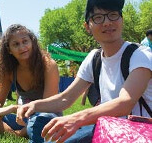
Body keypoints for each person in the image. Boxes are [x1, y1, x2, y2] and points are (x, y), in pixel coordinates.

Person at [16, 0, 152, 142]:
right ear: (87, 26)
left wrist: (76, 118)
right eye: (98, 17)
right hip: (106, 130)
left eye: (113, 15)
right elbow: (65, 98)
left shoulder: (140, 55)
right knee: (46, 128)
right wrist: (33, 105)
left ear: (121, 20)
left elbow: (125, 102)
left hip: (138, 133)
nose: (107, 22)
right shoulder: (94, 58)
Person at [0, 24, 61, 140]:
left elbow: (48, 106)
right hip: (22, 119)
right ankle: (16, 133)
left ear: (32, 42)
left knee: (39, 121)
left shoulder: (48, 65)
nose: (22, 47)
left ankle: (17, 134)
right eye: (16, 44)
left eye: (25, 41)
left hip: (45, 118)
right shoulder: (9, 69)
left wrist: (11, 108)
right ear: (9, 50)